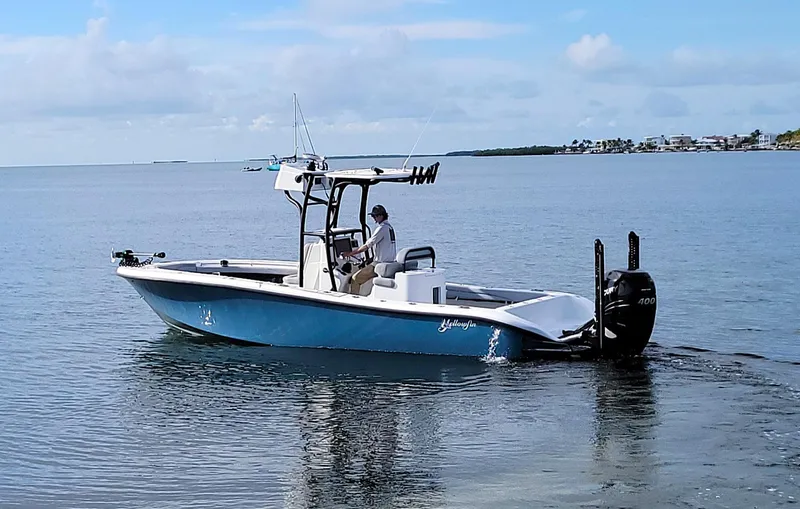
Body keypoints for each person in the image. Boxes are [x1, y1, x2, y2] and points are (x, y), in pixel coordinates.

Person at [344, 204, 396, 294]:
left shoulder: (381, 228)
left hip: (379, 265)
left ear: (380, 216)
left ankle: (355, 301)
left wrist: (349, 254)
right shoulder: (390, 227)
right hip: (389, 263)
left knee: (355, 278)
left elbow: (367, 246)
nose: (373, 218)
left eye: (374, 216)